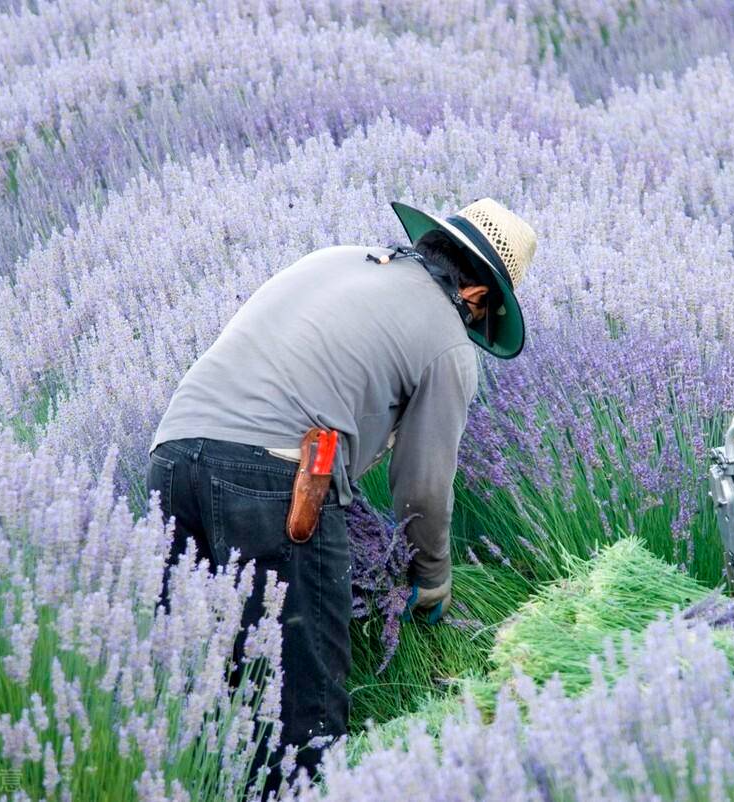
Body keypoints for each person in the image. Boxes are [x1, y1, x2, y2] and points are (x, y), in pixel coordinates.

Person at [145, 197, 537, 789]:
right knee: (307, 722)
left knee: (202, 695)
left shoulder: (340, 260)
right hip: (278, 482)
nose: (474, 331)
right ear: (479, 296)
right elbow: (423, 491)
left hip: (172, 457)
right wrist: (432, 580)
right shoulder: (448, 340)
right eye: (481, 319)